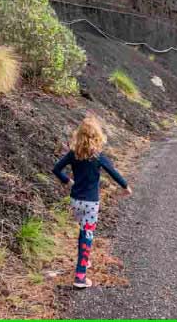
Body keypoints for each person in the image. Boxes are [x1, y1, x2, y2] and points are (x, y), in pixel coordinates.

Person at [52, 115, 132, 289]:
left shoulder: (73, 154)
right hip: (90, 203)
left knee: (83, 231)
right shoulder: (98, 156)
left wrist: (67, 181)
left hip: (75, 201)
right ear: (97, 136)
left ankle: (84, 260)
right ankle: (80, 276)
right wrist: (125, 187)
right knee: (88, 235)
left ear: (79, 136)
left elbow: (56, 169)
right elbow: (113, 172)